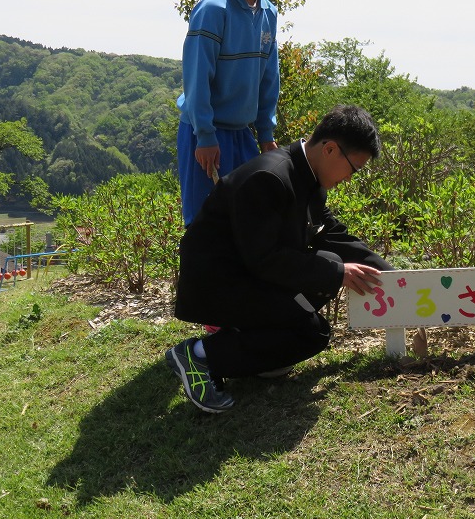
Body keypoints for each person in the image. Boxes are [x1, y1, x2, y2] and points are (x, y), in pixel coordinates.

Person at [165, 105, 391, 413]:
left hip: (247, 277)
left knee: (313, 332)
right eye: (353, 168)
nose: (350, 178)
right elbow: (263, 259)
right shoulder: (269, 177)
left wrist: (392, 277)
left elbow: (333, 235)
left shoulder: (306, 177)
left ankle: (250, 347)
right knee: (312, 314)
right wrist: (337, 273)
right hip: (220, 284)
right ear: (330, 149)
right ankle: (199, 355)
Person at [176, 0, 296, 226]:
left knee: (247, 219)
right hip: (206, 133)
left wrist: (266, 134)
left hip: (242, 133)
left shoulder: (268, 12)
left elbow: (269, 77)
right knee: (206, 221)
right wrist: (205, 135)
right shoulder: (214, 11)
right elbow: (196, 78)